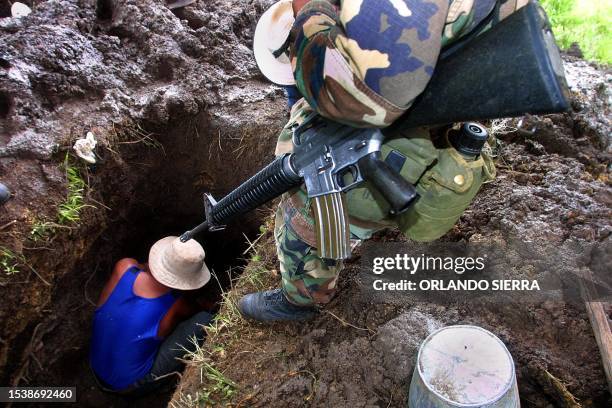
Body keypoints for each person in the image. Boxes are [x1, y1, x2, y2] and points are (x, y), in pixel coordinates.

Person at [240, 0, 527, 321]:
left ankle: (301, 299)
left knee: (304, 219)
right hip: (443, 90)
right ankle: (368, 221)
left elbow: (356, 91)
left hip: (386, 113)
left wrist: (309, 12)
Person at [90, 236, 213, 394]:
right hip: (130, 385)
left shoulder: (124, 267)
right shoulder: (176, 305)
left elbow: (144, 271)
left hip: (95, 365)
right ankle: (162, 386)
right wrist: (207, 305)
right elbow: (194, 310)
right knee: (204, 319)